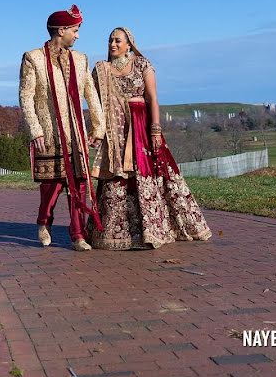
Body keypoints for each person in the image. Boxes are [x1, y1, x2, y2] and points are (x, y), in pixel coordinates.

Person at [88, 27, 211, 250]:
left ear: (129, 44)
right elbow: (95, 105)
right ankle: (117, 231)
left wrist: (155, 130)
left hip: (141, 127)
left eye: (117, 41)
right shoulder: (101, 70)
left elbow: (153, 98)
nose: (112, 44)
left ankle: (155, 228)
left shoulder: (142, 64)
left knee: (150, 172)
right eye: (110, 41)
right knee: (118, 177)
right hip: (116, 131)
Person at [18, 5, 105, 251]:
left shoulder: (80, 60)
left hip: (76, 134)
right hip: (48, 133)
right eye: (75, 30)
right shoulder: (32, 58)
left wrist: (98, 128)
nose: (77, 35)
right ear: (61, 30)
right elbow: (26, 97)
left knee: (78, 185)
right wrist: (35, 130)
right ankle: (43, 222)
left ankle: (77, 235)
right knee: (52, 186)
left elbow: (91, 94)